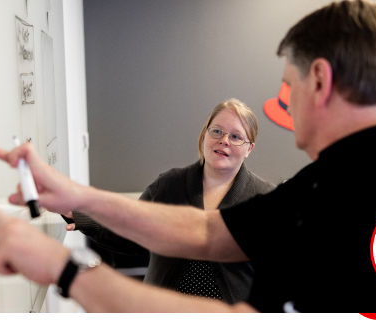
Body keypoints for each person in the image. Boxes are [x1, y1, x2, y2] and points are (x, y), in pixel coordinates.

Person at [0, 0, 376, 313]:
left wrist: (64, 269)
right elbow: (209, 233)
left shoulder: (357, 195)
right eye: (218, 131)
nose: (288, 105)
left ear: (320, 80)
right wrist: (76, 197)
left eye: (291, 86)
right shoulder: (330, 180)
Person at [62, 99, 275, 304]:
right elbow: (131, 232)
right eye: (217, 131)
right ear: (205, 134)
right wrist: (82, 216)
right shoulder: (169, 184)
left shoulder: (265, 197)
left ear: (249, 149)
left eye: (236, 136)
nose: (224, 140)